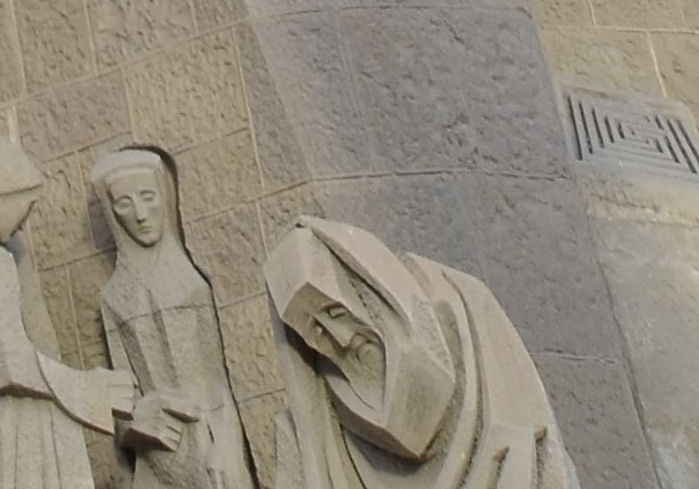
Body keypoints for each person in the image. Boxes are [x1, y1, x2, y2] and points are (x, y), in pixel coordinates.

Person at [266, 221, 578, 489]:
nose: (342, 338)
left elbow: (537, 448)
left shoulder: (465, 316)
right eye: (316, 330)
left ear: (366, 283)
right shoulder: (318, 442)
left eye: (336, 312)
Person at [0, 136, 130, 489]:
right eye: (26, 208)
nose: (20, 225)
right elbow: (12, 366)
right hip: (17, 425)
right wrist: (90, 389)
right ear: (5, 192)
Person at [89, 146, 256, 489]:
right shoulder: (114, 298)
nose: (140, 215)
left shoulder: (191, 283)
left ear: (165, 196)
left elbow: (219, 377)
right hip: (156, 459)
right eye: (124, 203)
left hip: (208, 446)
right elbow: (125, 398)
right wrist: (132, 423)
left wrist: (227, 443)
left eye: (148, 197)